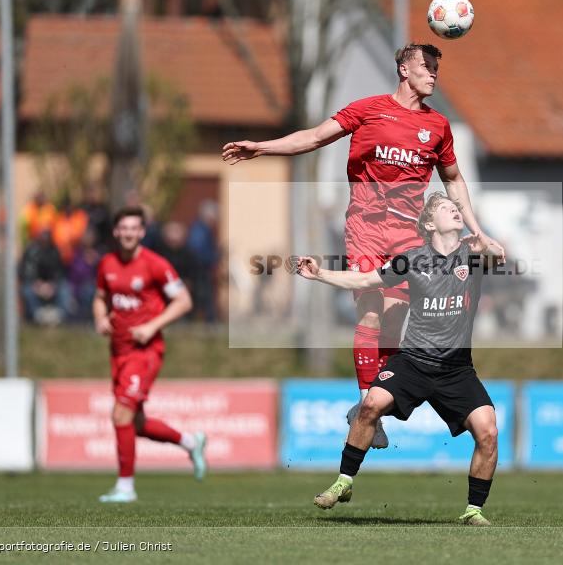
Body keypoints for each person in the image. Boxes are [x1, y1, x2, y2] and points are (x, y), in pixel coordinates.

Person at [223, 43, 504, 448]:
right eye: (425, 66)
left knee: (395, 317)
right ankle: (367, 406)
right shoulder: (368, 108)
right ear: (404, 69)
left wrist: (477, 229)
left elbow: (454, 180)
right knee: (370, 311)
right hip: (366, 226)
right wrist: (262, 147)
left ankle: (370, 401)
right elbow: (316, 137)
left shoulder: (439, 126)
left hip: (410, 234)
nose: (433, 73)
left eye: (436, 67)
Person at [296, 193, 502, 526]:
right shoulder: (412, 259)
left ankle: (473, 511)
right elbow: (363, 280)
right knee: (370, 406)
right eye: (448, 208)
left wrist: (486, 241)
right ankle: (344, 482)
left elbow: (499, 255)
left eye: (458, 208)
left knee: (488, 431)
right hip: (414, 361)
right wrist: (320, 274)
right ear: (430, 224)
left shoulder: (471, 254)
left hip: (456, 369)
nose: (456, 209)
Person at [93, 206, 207, 503]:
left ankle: (125, 488)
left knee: (121, 414)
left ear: (142, 232)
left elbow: (184, 301)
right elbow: (100, 297)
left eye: (134, 228)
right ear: (116, 232)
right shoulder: (107, 263)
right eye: (123, 228)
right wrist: (100, 318)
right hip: (118, 351)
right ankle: (190, 442)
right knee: (136, 423)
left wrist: (152, 326)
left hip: (145, 352)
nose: (129, 233)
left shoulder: (156, 264)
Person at [18, 229, 72, 325]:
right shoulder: (31, 251)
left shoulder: (55, 251)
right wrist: (38, 285)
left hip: (51, 285)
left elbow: (59, 272)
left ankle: (60, 315)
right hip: (35, 284)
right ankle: (36, 315)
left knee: (65, 288)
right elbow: (27, 272)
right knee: (26, 290)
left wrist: (52, 285)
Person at [186, 200, 221, 322]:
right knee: (202, 298)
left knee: (202, 299)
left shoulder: (204, 229)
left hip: (202, 270)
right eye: (215, 216)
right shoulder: (199, 230)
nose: (216, 220)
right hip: (199, 271)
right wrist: (214, 257)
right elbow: (197, 251)